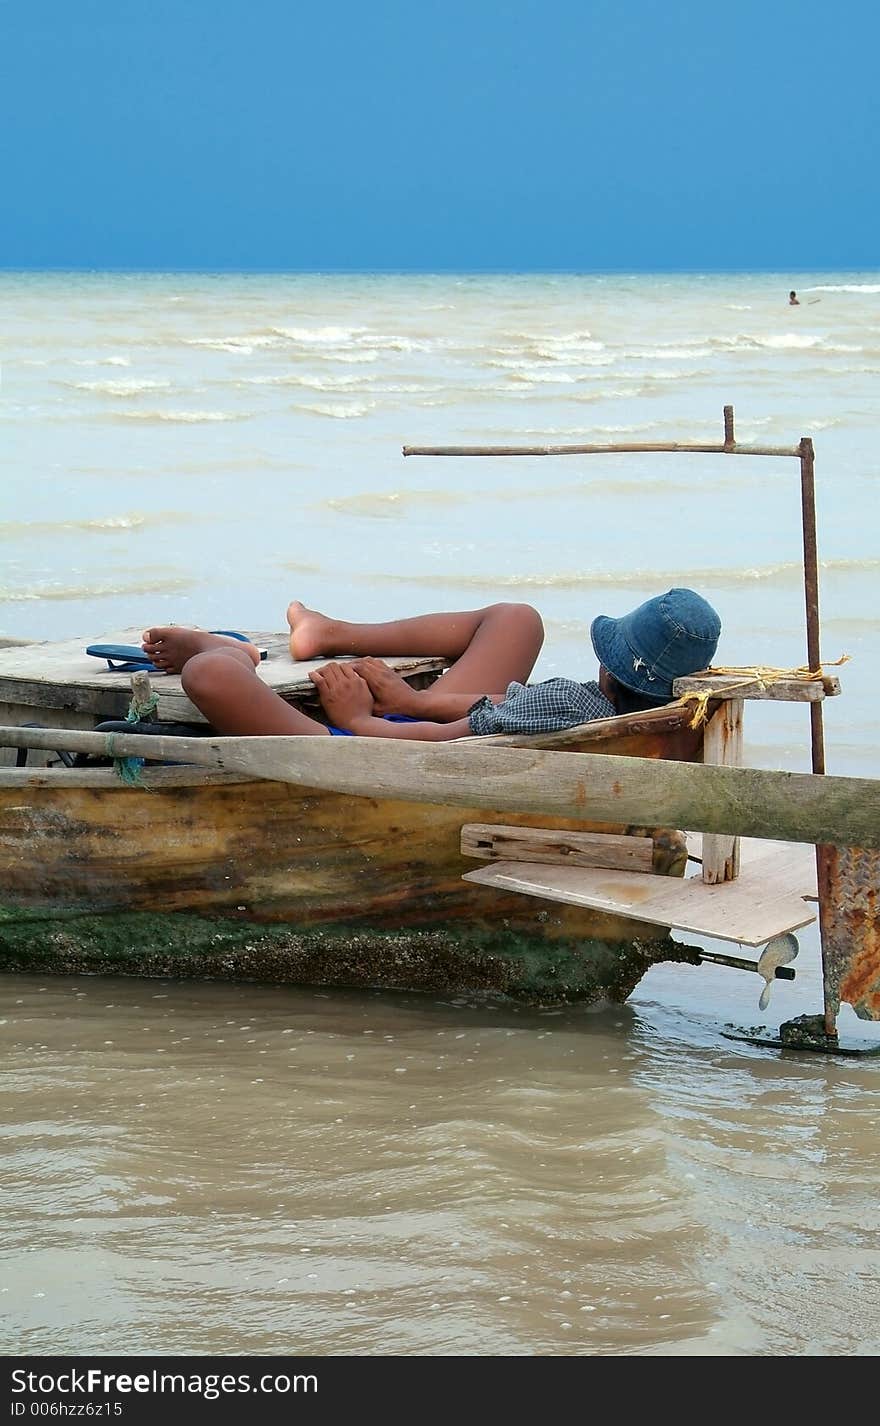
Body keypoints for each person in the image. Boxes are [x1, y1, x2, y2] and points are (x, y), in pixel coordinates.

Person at [138, 588, 721, 741]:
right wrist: (412, 699)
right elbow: (496, 714)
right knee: (518, 619)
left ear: (606, 667)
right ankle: (327, 631)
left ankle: (231, 653)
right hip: (416, 727)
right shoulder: (665, 722)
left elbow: (446, 747)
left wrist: (363, 719)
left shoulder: (574, 703)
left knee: (208, 677)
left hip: (368, 755)